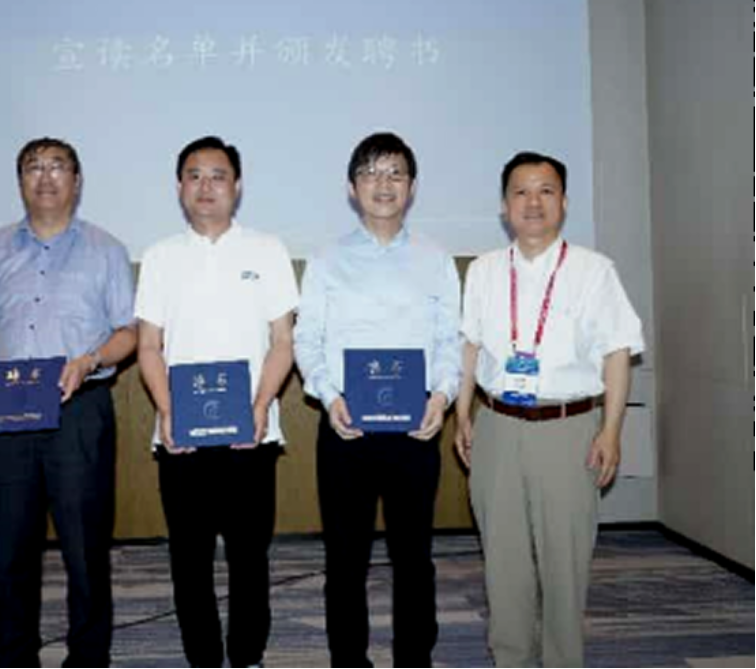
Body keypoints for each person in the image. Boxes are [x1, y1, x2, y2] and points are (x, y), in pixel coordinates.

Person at [455, 151, 644, 668]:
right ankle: (511, 659)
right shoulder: (485, 271)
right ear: (504, 205)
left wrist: (611, 431)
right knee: (503, 561)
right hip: (496, 427)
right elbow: (469, 347)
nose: (532, 202)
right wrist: (463, 414)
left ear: (564, 201)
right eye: (520, 191)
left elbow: (617, 353)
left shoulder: (593, 270)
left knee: (565, 562)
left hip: (568, 428)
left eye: (545, 190)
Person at [0, 137, 136, 668]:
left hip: (79, 407)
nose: (45, 177)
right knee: (14, 546)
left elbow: (128, 332)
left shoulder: (106, 249)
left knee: (85, 547)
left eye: (57, 167)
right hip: (8, 406)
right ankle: (16, 657)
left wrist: (89, 359)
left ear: (76, 181)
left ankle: (88, 657)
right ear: (20, 181)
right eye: (33, 168)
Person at [294, 132, 460, 668]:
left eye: (395, 173)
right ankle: (349, 660)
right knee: (346, 557)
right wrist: (328, 395)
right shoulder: (326, 259)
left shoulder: (436, 259)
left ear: (412, 187)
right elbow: (307, 339)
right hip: (347, 425)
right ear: (352, 187)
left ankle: (414, 659)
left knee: (414, 556)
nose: (383, 184)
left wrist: (443, 395)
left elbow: (450, 339)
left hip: (416, 425)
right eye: (370, 173)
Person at [135, 136, 298, 669]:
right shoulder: (160, 257)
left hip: (250, 431)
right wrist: (167, 411)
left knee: (249, 556)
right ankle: (203, 658)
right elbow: (149, 346)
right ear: (179, 187)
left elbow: (283, 341)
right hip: (180, 434)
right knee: (189, 558)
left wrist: (260, 405)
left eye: (218, 175)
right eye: (194, 175)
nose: (206, 186)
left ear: (238, 185)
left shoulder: (267, 250)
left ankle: (247, 655)